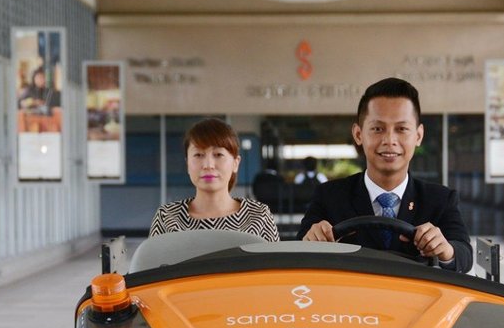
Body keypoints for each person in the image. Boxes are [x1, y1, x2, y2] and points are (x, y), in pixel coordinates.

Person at [298, 77, 473, 272]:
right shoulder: (329, 196)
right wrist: (310, 240)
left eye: (401, 129)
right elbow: (298, 252)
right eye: (377, 129)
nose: (390, 140)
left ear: (418, 135)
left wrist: (445, 250)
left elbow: (464, 255)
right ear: (358, 134)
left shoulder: (440, 199)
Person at [150, 118, 280, 242]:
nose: (208, 165)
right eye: (198, 155)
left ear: (236, 163)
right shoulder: (167, 217)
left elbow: (277, 264)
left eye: (218, 155)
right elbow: (151, 264)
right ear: (187, 164)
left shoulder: (258, 215)